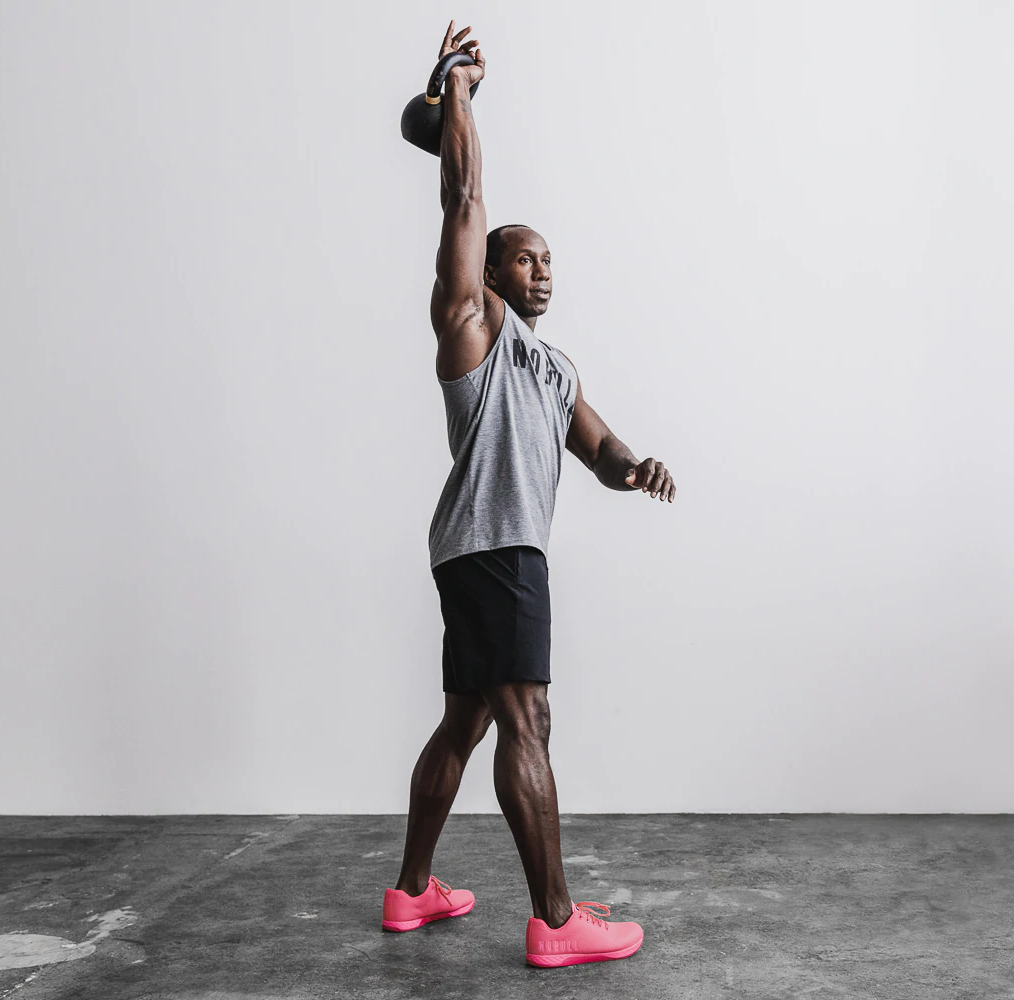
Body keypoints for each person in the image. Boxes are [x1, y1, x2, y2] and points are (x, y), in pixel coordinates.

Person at [380, 22, 677, 969]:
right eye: (523, 258)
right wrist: (458, 91)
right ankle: (554, 919)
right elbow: (464, 198)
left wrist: (634, 467)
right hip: (496, 544)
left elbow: (598, 446)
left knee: (467, 720)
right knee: (529, 720)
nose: (540, 270)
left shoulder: (554, 368)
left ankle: (411, 892)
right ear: (487, 272)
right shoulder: (472, 326)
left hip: (489, 550)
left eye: (548, 259)